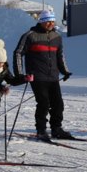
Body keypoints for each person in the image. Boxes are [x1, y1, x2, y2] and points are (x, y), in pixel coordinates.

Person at [13, 10, 73, 140]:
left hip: (53, 76)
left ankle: (56, 129)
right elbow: (18, 53)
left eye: (52, 21)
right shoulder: (30, 36)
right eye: (47, 21)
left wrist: (65, 71)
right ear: (41, 22)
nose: (50, 23)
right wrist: (19, 74)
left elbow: (60, 56)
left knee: (58, 104)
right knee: (43, 103)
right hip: (37, 76)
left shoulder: (56, 36)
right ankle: (41, 130)